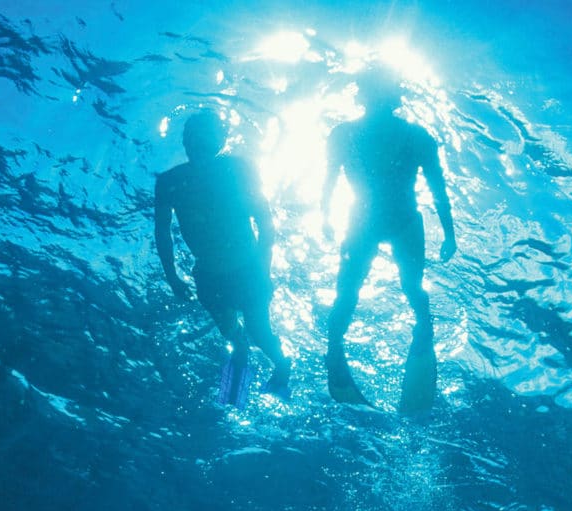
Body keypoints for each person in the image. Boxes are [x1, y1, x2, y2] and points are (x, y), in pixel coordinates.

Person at [321, 68, 456, 412]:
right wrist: (323, 216)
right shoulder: (402, 135)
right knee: (360, 291)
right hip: (381, 221)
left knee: (403, 288)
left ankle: (418, 331)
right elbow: (328, 180)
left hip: (389, 221)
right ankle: (336, 345)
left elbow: (439, 188)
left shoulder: (410, 137)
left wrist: (449, 232)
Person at [154, 110, 291, 399]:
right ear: (185, 141)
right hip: (208, 276)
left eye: (208, 137)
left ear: (221, 140)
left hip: (248, 269)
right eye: (194, 138)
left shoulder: (239, 169)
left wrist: (264, 273)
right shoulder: (168, 182)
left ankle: (282, 365)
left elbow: (265, 222)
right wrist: (172, 278)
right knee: (234, 337)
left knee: (258, 330)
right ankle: (233, 394)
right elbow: (162, 232)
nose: (200, 144)